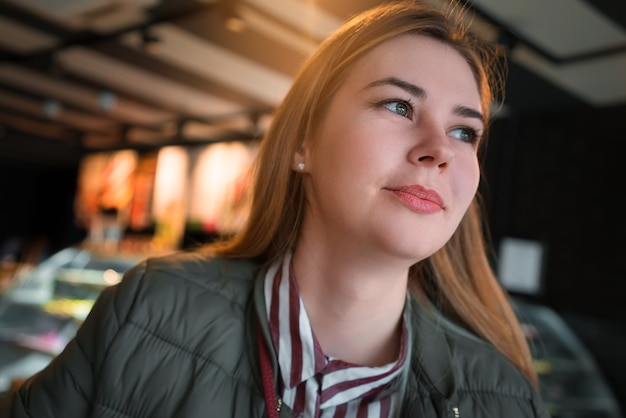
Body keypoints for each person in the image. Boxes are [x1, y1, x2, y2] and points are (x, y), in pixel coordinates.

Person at [0, 1, 549, 417]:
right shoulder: (148, 309)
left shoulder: (502, 398)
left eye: (464, 131)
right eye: (399, 104)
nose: (440, 150)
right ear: (302, 143)